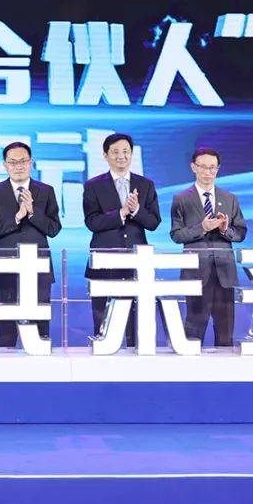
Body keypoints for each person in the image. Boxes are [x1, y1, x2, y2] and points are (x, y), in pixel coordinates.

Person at [82, 132, 161, 346]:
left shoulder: (145, 185)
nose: (121, 156)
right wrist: (121, 213)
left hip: (137, 263)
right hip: (104, 262)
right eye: (115, 152)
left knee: (136, 321)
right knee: (103, 319)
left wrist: (136, 211)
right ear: (105, 155)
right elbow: (92, 222)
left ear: (132, 154)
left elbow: (154, 222)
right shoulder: (93, 185)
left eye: (126, 151)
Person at [0, 141, 62, 347]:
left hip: (39, 267)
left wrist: (33, 213)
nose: (18, 166)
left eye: (23, 161)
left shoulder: (46, 190)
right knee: (6, 328)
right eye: (13, 162)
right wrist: (17, 217)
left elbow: (54, 229)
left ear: (31, 163)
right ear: (5, 165)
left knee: (39, 327)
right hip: (5, 267)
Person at [169, 148, 247, 347]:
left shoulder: (230, 198)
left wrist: (225, 229)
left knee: (225, 332)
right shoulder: (181, 199)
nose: (208, 172)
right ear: (193, 167)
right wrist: (201, 228)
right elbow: (176, 235)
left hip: (225, 274)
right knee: (194, 331)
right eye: (203, 167)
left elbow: (241, 233)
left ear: (218, 169)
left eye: (212, 168)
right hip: (196, 273)